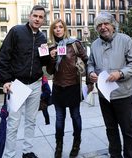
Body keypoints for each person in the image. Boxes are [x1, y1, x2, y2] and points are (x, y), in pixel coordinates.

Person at [87, 12, 132, 158]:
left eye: (106, 24)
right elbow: (90, 63)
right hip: (104, 96)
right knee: (110, 129)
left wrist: (121, 73)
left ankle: (130, 156)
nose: (103, 27)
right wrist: (91, 72)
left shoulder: (125, 40)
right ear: (96, 28)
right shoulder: (94, 44)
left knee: (127, 130)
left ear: (113, 25)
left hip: (123, 94)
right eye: (99, 25)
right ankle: (115, 155)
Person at [0, 5, 49, 158]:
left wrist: (49, 54)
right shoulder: (16, 31)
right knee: (13, 124)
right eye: (35, 16)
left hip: (35, 84)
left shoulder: (42, 37)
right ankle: (9, 155)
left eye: (40, 17)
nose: (37, 19)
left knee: (31, 121)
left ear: (43, 20)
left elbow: (43, 62)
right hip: (17, 84)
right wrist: (6, 80)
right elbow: (4, 56)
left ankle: (27, 152)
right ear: (30, 16)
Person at [46, 19, 88, 158]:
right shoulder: (50, 47)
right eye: (55, 28)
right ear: (52, 30)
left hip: (73, 86)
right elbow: (50, 71)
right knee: (59, 119)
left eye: (60, 27)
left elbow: (87, 61)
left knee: (75, 116)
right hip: (58, 87)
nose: (58, 29)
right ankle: (59, 145)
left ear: (65, 29)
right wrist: (52, 58)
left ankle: (76, 143)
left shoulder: (75, 44)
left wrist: (89, 81)